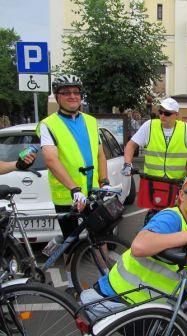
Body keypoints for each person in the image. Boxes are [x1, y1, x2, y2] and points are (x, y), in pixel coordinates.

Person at [80, 171, 187, 319]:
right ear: (181, 195)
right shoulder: (171, 218)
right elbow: (139, 246)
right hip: (119, 298)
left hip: (148, 305)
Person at [37, 74, 110, 297]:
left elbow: (100, 154)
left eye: (76, 92)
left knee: (101, 234)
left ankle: (107, 279)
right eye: (66, 92)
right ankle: (71, 282)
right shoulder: (48, 125)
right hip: (68, 194)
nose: (72, 96)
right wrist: (73, 188)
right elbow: (51, 159)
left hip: (92, 191)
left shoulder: (90, 120)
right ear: (57, 96)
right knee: (71, 241)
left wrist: (104, 181)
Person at [122, 98, 187, 209]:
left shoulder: (186, 128)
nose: (162, 116)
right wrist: (127, 164)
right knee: (153, 217)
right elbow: (131, 145)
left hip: (176, 182)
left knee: (176, 216)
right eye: (160, 112)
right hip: (152, 181)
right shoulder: (149, 125)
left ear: (176, 115)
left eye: (167, 113)